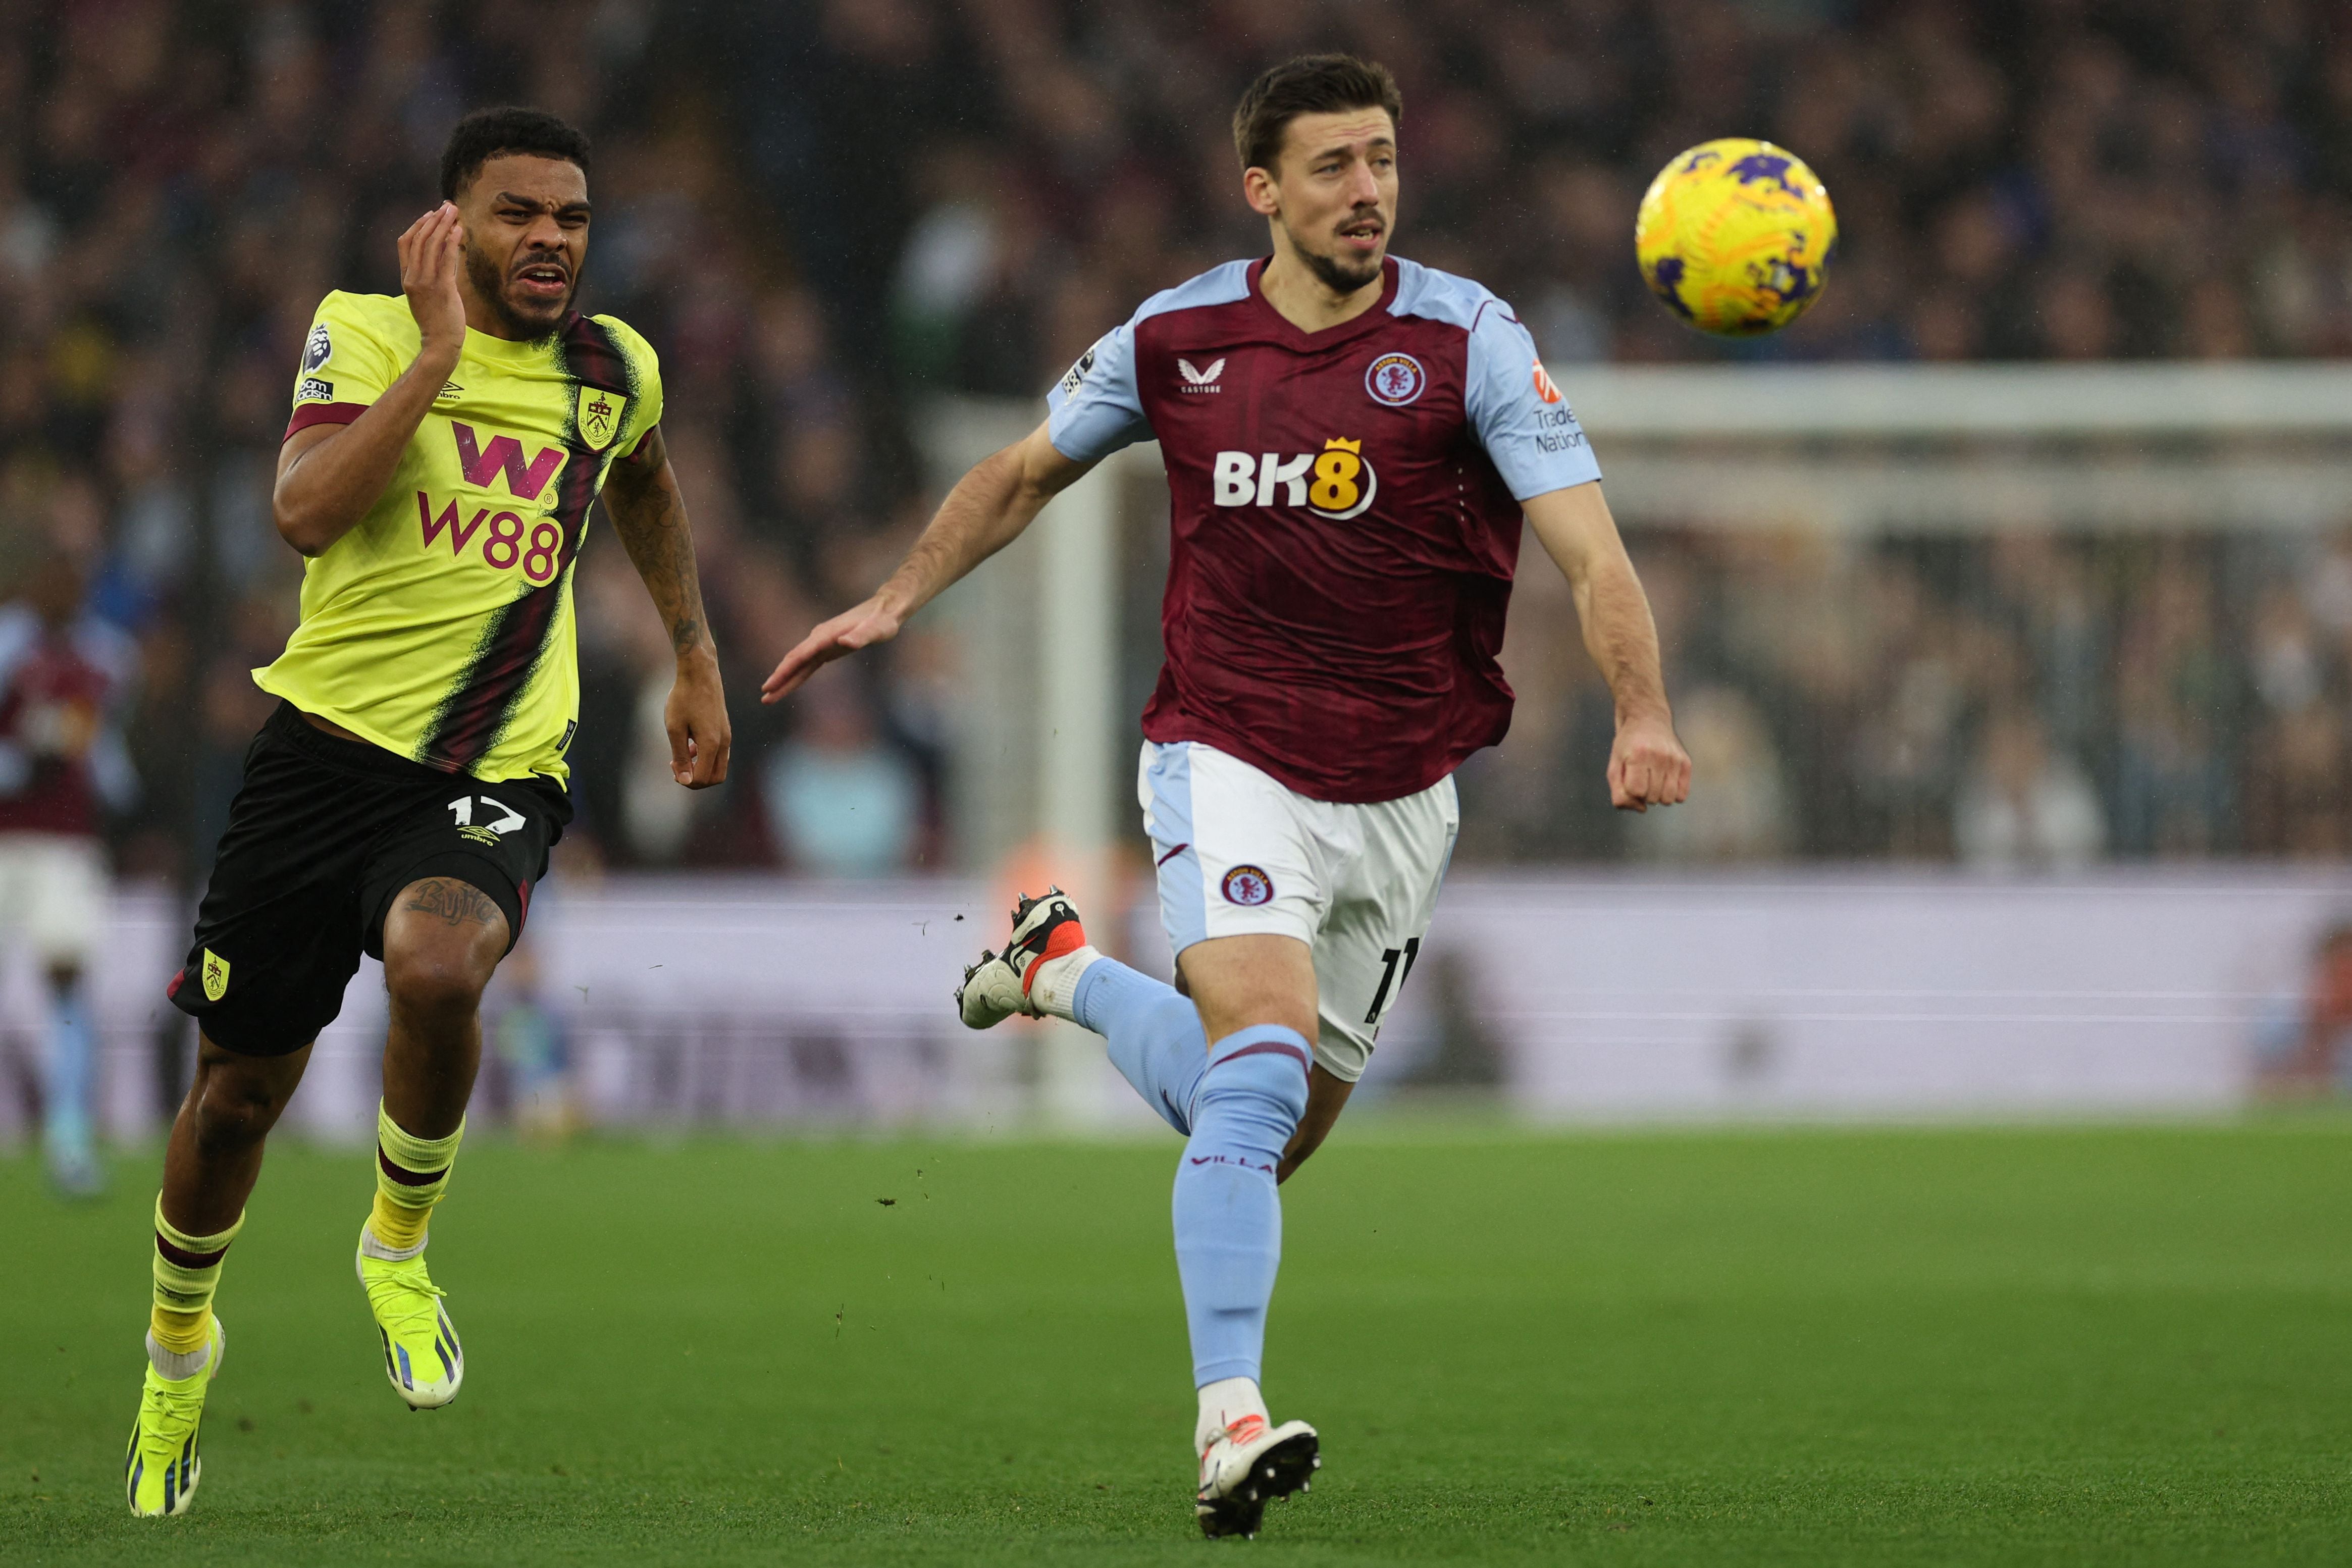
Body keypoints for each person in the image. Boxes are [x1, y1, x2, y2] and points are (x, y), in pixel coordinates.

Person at [763, 54, 1689, 1537]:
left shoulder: (1469, 339)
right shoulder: (1175, 335)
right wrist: (893, 598)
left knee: (1249, 1119)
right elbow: (1018, 473)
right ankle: (1227, 1421)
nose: (1365, 191)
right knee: (1252, 1073)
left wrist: (1642, 709)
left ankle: (1062, 972)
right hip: (1225, 751)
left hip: (1402, 795)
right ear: (1261, 188)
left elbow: (1588, 548)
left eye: (1381, 159)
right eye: (1330, 167)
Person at [124, 107, 730, 1518]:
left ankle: (396, 1250)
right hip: (320, 760)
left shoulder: (611, 368)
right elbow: (305, 511)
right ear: (452, 226)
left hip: (493, 767)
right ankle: (175, 1360)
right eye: (520, 214)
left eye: (572, 219)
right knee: (233, 1105)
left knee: (441, 962)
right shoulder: (366, 329)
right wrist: (441, 360)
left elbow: (641, 476)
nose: (552, 243)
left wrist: (693, 650)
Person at [0, 542, 138, 1198]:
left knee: (66, 981)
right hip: (8, 834)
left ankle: (69, 1138)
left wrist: (108, 780)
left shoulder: (101, 658)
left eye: (72, 578)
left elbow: (103, 750)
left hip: (64, 843)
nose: (63, 590)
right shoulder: (9, 649)